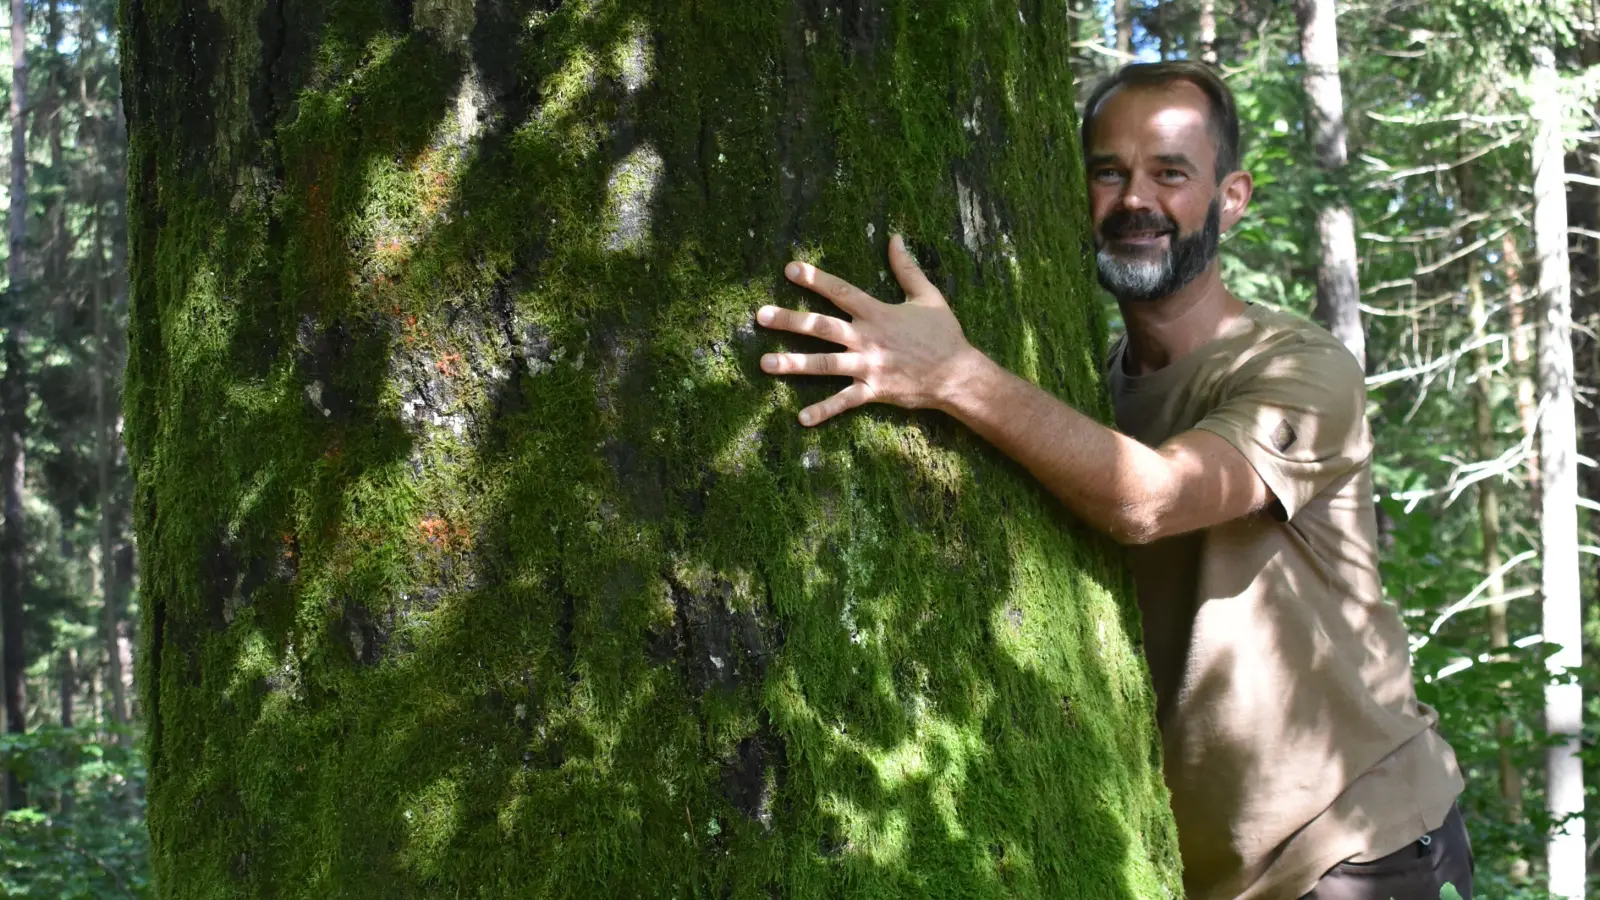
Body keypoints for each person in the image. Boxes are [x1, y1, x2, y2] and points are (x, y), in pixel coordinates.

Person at [753, 61, 1472, 900]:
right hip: (1201, 876)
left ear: (1230, 197)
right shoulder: (1086, 392)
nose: (1136, 200)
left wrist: (951, 375)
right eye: (1108, 172)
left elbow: (1152, 498)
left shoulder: (1301, 369)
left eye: (1171, 173)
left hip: (1357, 849)